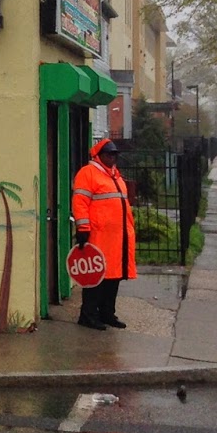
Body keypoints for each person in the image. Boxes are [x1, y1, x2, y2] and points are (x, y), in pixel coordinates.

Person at [71, 139, 136, 331]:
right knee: (94, 276)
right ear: (99, 156)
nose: (113, 157)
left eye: (115, 154)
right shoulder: (88, 173)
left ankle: (107, 313)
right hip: (99, 236)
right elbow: (80, 202)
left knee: (113, 276)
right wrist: (83, 228)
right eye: (109, 154)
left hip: (117, 237)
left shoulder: (115, 175)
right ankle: (88, 315)